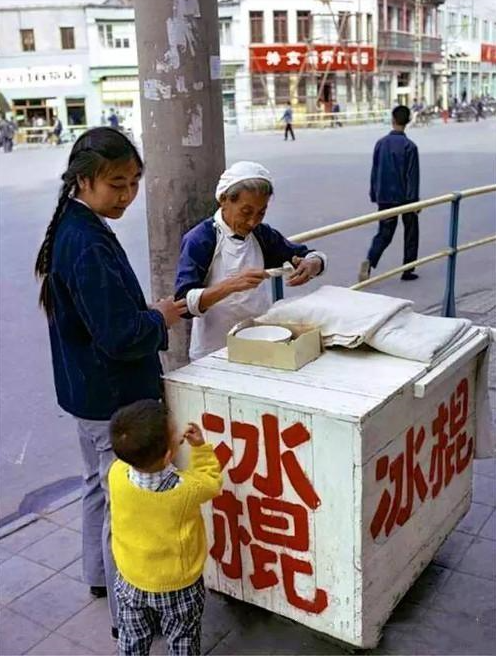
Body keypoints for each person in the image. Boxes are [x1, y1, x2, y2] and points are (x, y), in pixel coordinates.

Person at [34, 127, 187, 638]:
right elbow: (121, 337)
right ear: (84, 181)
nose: (127, 195)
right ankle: (130, 618)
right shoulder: (85, 242)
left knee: (97, 490)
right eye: (116, 185)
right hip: (111, 399)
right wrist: (160, 317)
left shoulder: (74, 226)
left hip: (86, 394)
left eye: (134, 182)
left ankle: (98, 577)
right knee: (120, 507)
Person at [175, 161, 328, 361]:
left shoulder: (261, 235)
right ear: (224, 200)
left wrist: (312, 263)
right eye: (246, 212)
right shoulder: (201, 239)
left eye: (261, 213)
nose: (252, 221)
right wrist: (231, 285)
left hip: (260, 340)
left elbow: (305, 254)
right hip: (214, 350)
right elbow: (183, 303)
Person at [109, 399, 222, 656]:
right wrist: (200, 449)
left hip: (130, 580)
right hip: (178, 586)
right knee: (182, 639)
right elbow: (212, 481)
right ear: (170, 454)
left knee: (132, 638)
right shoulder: (186, 489)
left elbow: (136, 461)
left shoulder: (116, 473)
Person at [358, 105, 420, 282]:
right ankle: (408, 269)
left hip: (385, 196)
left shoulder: (381, 144)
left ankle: (370, 261)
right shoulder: (410, 147)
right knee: (411, 232)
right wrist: (414, 201)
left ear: (392, 120)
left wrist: (374, 194)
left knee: (384, 233)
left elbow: (375, 171)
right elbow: (412, 176)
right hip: (405, 198)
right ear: (408, 121)